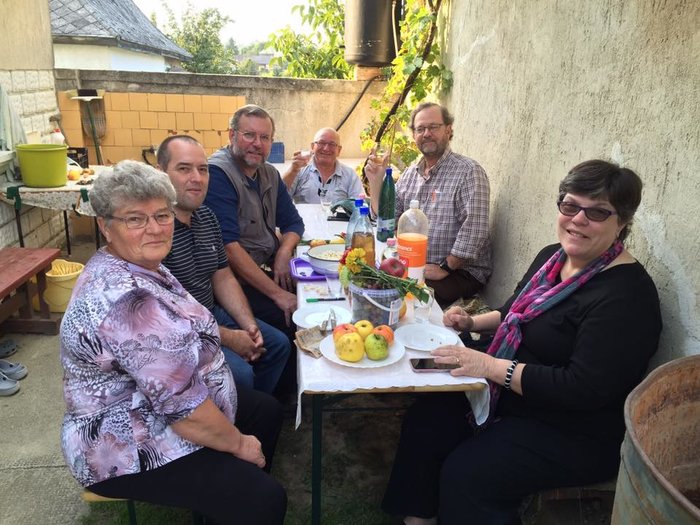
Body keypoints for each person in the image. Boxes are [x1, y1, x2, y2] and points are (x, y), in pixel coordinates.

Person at [381, 160, 662, 525]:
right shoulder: (553, 257)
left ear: (622, 221)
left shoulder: (627, 296)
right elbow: (514, 312)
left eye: (597, 212)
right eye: (570, 205)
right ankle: (420, 517)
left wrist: (489, 367)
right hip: (514, 396)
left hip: (573, 429)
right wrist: (471, 321)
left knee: (469, 473)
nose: (578, 219)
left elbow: (583, 389)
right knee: (428, 417)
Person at [60, 161, 286, 524]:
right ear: (105, 226)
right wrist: (241, 445)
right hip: (123, 445)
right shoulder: (127, 303)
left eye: (162, 215)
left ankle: (224, 507)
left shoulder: (142, 264)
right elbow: (185, 412)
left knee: (265, 410)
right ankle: (242, 497)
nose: (154, 229)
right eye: (135, 219)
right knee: (263, 498)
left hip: (155, 405)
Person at [158, 135, 291, 395]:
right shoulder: (155, 231)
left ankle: (255, 412)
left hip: (211, 313)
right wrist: (230, 338)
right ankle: (234, 421)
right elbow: (166, 320)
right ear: (161, 173)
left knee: (277, 345)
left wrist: (248, 325)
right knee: (240, 374)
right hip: (179, 334)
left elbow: (223, 276)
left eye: (202, 169)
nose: (196, 178)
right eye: (184, 169)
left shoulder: (206, 217)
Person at [366, 102, 492, 308]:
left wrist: (446, 266)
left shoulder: (468, 171)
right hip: (415, 265)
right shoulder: (410, 174)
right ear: (414, 135)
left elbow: (475, 230)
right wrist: (375, 182)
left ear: (448, 130)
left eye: (433, 127)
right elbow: (386, 219)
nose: (426, 133)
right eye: (420, 129)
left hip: (458, 273)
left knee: (399, 298)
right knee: (370, 280)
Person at [204, 105, 304, 339]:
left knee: (314, 296)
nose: (257, 144)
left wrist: (283, 252)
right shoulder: (218, 174)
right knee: (295, 319)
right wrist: (278, 294)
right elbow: (230, 249)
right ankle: (288, 375)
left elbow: (294, 223)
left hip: (263, 267)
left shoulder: (268, 173)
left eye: (264, 137)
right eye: (249, 135)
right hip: (231, 283)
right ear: (232, 135)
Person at [282, 127, 364, 204]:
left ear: (339, 150)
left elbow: (359, 206)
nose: (326, 148)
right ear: (312, 146)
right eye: (321, 143)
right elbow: (278, 197)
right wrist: (293, 170)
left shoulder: (350, 175)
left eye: (332, 144)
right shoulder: (298, 170)